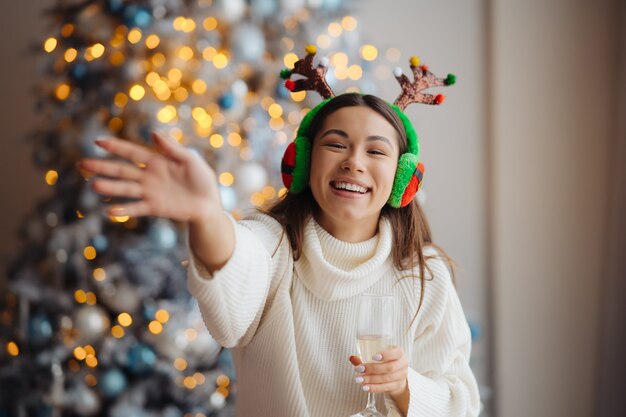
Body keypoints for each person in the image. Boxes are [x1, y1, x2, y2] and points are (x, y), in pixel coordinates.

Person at [79, 56, 480, 417]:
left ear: (403, 179)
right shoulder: (273, 246)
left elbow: (458, 403)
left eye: (375, 152)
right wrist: (206, 214)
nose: (354, 162)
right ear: (302, 162)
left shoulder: (426, 277)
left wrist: (404, 385)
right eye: (336, 144)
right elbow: (237, 262)